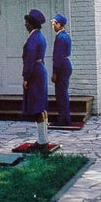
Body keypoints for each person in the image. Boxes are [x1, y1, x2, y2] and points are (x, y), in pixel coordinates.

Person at [21, 8, 49, 150]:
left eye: (27, 22)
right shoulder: (41, 36)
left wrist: (26, 77)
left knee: (37, 108)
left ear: (32, 23)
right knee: (42, 106)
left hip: (35, 73)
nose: (25, 24)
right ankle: (44, 139)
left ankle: (42, 142)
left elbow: (29, 59)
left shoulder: (33, 38)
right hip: (40, 70)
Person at [51, 13, 73, 126]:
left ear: (59, 24)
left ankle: (63, 119)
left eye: (54, 24)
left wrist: (55, 72)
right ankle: (64, 117)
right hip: (66, 64)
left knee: (61, 94)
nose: (53, 26)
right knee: (63, 93)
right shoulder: (66, 36)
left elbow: (57, 56)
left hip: (62, 67)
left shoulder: (60, 37)